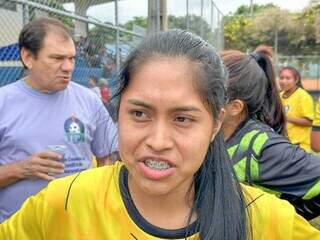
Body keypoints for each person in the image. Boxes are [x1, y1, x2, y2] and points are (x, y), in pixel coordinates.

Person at [1, 30, 319, 240]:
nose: (157, 140)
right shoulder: (63, 202)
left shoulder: (267, 221)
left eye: (182, 118)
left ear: (215, 124)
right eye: (139, 114)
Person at [0, 17, 118, 223]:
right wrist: (21, 169)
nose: (68, 67)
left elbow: (107, 160)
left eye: (72, 58)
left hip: (77, 226)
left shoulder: (90, 100)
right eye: (57, 58)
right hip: (17, 229)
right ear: (27, 57)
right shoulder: (3, 102)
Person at [221, 46, 320, 220]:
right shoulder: (209, 134)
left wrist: (280, 218)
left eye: (205, 92)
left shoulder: (259, 146)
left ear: (235, 107)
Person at [279, 66, 314, 152]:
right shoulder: (280, 95)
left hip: (299, 147)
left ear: (296, 79)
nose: (284, 81)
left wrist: (286, 117)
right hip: (283, 144)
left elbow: (309, 122)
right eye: (281, 78)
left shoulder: (303, 97)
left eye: (288, 78)